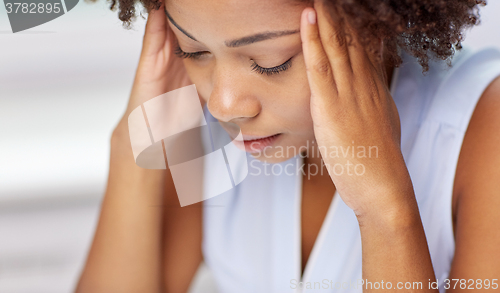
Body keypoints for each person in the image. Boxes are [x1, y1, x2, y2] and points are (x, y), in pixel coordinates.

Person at [75, 0, 500, 292]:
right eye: (195, 51)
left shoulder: (483, 130)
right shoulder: (204, 130)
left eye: (271, 61)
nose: (225, 105)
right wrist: (132, 148)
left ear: (371, 27)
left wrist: (385, 209)